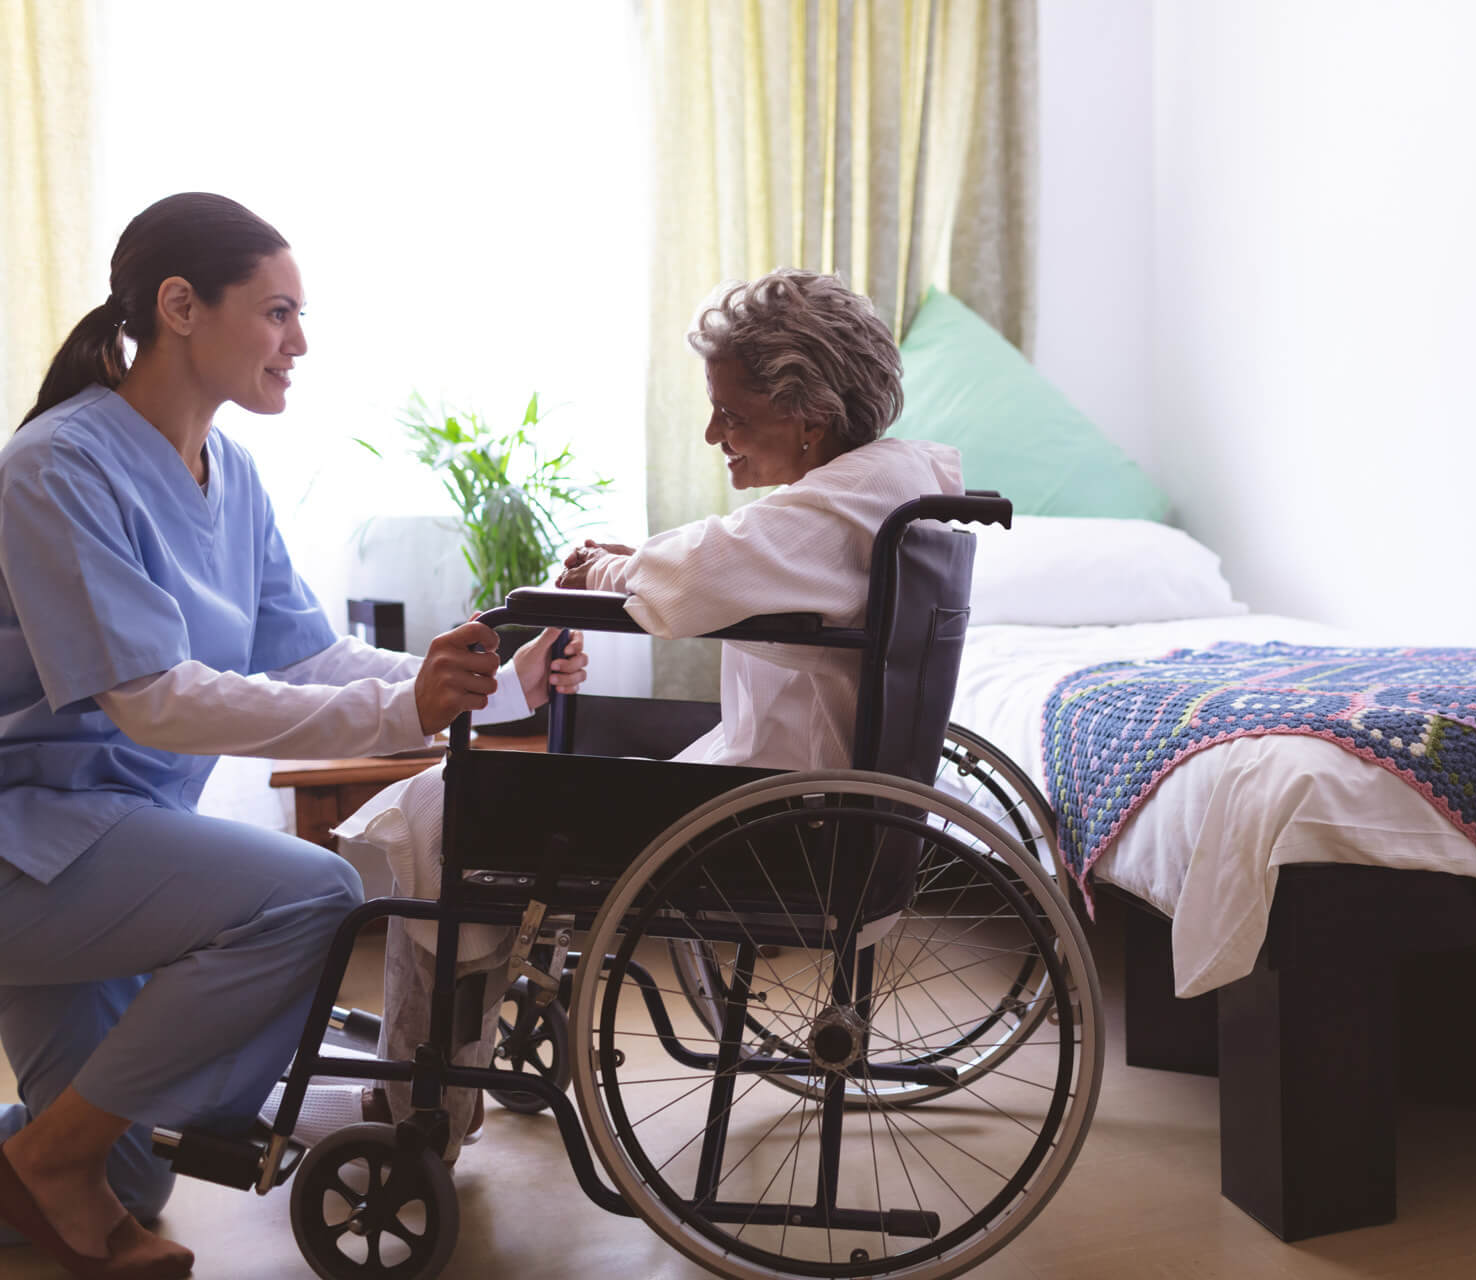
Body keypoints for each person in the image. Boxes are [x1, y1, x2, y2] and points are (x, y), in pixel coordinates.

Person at [0, 193, 584, 1279]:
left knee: (131, 1179)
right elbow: (155, 700)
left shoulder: (231, 475)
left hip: (107, 839)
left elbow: (305, 656)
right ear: (181, 306)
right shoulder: (58, 466)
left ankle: (48, 1156)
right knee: (308, 897)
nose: (299, 342)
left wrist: (491, 688)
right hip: (27, 846)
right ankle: (49, 1157)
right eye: (277, 312)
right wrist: (405, 708)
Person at [337, 267, 963, 1151]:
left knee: (446, 807)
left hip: (768, 826)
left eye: (732, 415)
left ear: (809, 416)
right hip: (805, 805)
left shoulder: (832, 509)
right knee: (470, 801)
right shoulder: (881, 488)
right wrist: (635, 562)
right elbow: (739, 561)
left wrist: (603, 574)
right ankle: (451, 1054)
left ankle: (420, 1103)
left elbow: (707, 571)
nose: (714, 434)